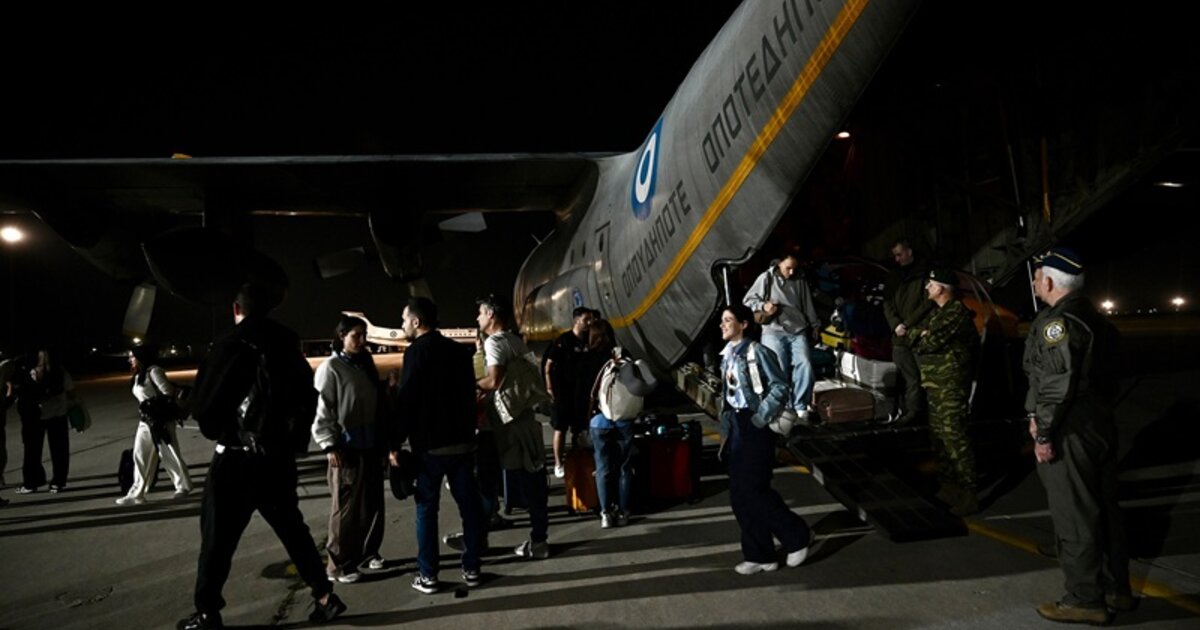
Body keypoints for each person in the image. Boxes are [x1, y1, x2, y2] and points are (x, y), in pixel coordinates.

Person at [177, 283, 345, 630]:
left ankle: (208, 612)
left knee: (217, 540)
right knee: (293, 530)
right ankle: (325, 596)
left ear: (236, 309)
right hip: (277, 460)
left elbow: (206, 413)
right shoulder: (286, 344)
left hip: (235, 460)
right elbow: (307, 399)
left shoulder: (229, 343)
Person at [1023, 247, 1131, 625]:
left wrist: (1043, 433)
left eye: (1038, 277)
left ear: (1051, 282)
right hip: (1099, 421)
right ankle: (1116, 589)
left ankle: (1085, 599)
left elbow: (1056, 385)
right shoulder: (1096, 319)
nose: (1035, 282)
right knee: (1104, 510)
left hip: (1069, 427)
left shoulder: (1058, 324)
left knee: (1075, 516)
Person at [391, 297, 484, 594]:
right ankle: (472, 568)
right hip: (462, 443)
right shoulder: (459, 351)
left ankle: (428, 574)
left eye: (404, 319)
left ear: (416, 321)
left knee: (427, 510)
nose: (402, 325)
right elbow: (470, 395)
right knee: (469, 508)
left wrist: (394, 443)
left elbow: (407, 400)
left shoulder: (417, 352)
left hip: (430, 446)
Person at [718, 304, 814, 575]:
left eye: (728, 320)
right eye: (722, 320)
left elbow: (780, 386)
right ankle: (759, 555)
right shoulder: (726, 356)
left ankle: (797, 536)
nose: (722, 325)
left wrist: (760, 417)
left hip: (755, 425)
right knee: (739, 496)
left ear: (744, 324)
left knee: (755, 490)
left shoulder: (757, 352)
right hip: (736, 425)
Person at [311, 315, 387, 584]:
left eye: (364, 335)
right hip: (346, 446)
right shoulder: (331, 368)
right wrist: (329, 444)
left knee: (372, 504)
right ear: (341, 336)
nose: (362, 340)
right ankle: (338, 564)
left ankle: (367, 552)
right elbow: (322, 410)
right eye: (356, 335)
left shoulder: (364, 364)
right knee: (344, 509)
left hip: (370, 444)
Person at [475, 294, 551, 560]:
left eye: (481, 313)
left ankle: (477, 538)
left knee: (489, 480)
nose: (477, 317)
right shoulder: (515, 340)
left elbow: (494, 380)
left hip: (506, 424)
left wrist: (472, 385)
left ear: (491, 315)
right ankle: (539, 539)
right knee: (532, 480)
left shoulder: (495, 343)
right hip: (524, 417)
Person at [911, 269, 979, 516]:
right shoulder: (938, 313)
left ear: (941, 288)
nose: (927, 287)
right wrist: (920, 334)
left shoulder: (955, 312)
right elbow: (914, 335)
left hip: (950, 385)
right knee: (939, 438)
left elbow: (928, 343)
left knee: (955, 439)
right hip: (935, 385)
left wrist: (922, 335)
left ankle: (969, 492)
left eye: (930, 284)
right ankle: (949, 486)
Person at [586, 318, 656, 528]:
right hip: (624, 418)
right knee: (625, 467)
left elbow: (584, 391)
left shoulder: (588, 358)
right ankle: (624, 511)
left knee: (603, 468)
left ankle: (605, 513)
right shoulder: (621, 356)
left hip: (599, 420)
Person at [743, 254, 821, 420]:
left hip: (797, 329)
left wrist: (815, 325)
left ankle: (800, 405)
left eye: (794, 268)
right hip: (773, 331)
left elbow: (807, 304)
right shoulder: (766, 278)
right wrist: (763, 305)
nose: (791, 272)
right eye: (788, 268)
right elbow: (748, 300)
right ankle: (783, 406)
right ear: (779, 264)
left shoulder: (799, 280)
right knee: (779, 369)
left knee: (805, 364)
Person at [117, 343, 193, 506]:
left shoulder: (154, 372)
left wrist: (153, 405)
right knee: (140, 455)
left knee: (169, 453)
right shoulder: (138, 376)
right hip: (146, 421)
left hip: (161, 421)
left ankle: (183, 487)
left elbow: (168, 392)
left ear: (140, 357)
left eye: (132, 357)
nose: (130, 360)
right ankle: (137, 493)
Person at [883, 238, 933, 424]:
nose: (897, 259)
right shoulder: (893, 277)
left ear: (909, 252)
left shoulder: (923, 273)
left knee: (924, 376)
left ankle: (924, 412)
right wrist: (896, 324)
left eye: (900, 254)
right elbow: (887, 303)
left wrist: (906, 323)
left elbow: (927, 302)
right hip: (900, 335)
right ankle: (913, 411)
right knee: (910, 378)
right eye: (895, 256)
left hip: (917, 331)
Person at [544, 306, 594, 479]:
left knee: (578, 429)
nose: (589, 323)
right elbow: (548, 365)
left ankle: (577, 460)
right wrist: (550, 387)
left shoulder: (588, 340)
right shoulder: (563, 340)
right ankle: (558, 463)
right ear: (576, 320)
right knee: (560, 428)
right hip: (563, 392)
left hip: (580, 392)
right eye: (586, 319)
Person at [15, 349, 74, 494]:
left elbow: (25, 392)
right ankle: (58, 482)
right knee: (60, 450)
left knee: (32, 451)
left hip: (37, 415)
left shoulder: (33, 372)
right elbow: (71, 390)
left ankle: (31, 482)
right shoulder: (61, 372)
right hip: (58, 414)